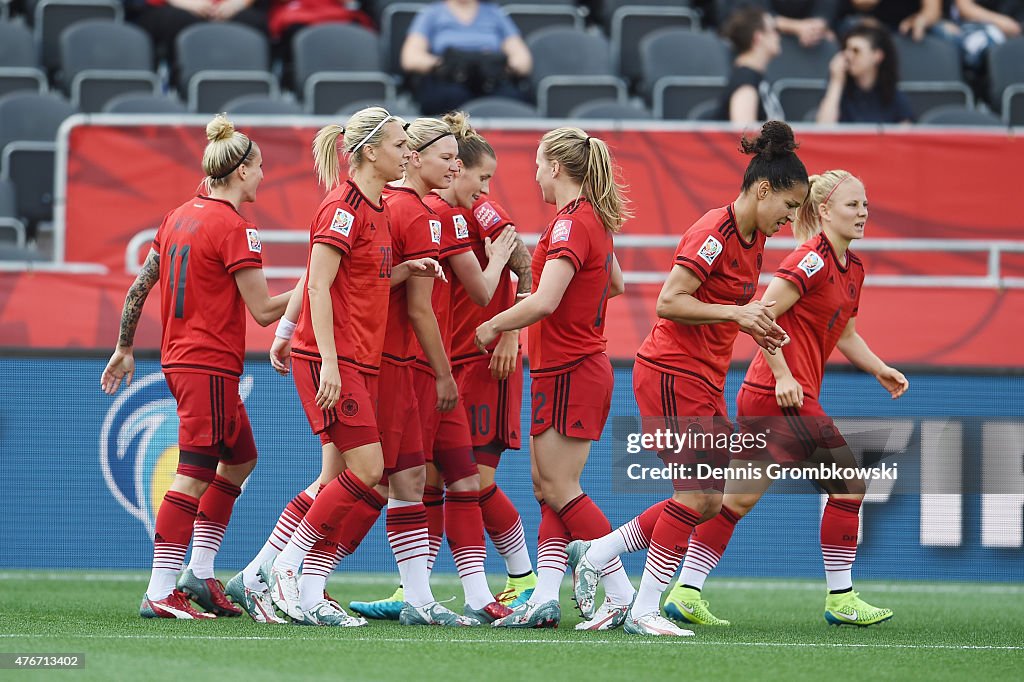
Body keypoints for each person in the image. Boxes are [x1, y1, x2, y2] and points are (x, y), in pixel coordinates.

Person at [566, 120, 807, 637]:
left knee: (711, 501)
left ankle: (600, 552)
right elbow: (668, 301)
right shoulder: (714, 233)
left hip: (701, 378)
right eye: (789, 206)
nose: (791, 218)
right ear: (763, 189)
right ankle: (645, 610)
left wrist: (759, 326)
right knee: (697, 497)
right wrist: (737, 315)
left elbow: (733, 310)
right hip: (671, 372)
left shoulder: (753, 238)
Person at [664, 170, 909, 627]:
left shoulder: (853, 268)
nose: (863, 213)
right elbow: (763, 314)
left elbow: (847, 333)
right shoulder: (810, 259)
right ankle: (841, 597)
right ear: (823, 211)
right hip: (780, 396)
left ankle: (685, 591)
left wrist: (879, 368)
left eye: (866, 205)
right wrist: (782, 374)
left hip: (773, 396)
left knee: (734, 502)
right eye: (853, 205)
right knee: (850, 484)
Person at [244, 107, 445, 627]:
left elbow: (363, 277)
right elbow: (317, 285)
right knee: (368, 470)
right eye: (401, 145)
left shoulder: (377, 207)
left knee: (345, 472)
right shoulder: (343, 206)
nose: (408, 153)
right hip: (336, 358)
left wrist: (406, 268)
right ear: (371, 151)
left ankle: (273, 576)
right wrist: (329, 363)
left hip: (360, 358)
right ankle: (290, 573)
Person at [100, 114, 293, 619]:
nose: (263, 176)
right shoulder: (235, 226)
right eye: (259, 168)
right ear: (240, 171)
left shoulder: (177, 216)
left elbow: (141, 284)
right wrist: (323, 285)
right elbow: (265, 310)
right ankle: (161, 589)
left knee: (242, 458)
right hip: (207, 363)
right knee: (193, 474)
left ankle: (200, 575)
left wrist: (124, 345)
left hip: (191, 361)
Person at [349, 112, 536, 621]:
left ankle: (511, 581)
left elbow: (523, 259)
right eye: (477, 174)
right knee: (418, 479)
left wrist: (509, 327)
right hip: (424, 363)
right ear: (418, 157)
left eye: (467, 167)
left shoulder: (463, 210)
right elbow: (359, 280)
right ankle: (292, 574)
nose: (480, 185)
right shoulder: (424, 211)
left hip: (458, 363)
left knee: (464, 478)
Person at [474, 127, 633, 630]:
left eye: (540, 164)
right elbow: (613, 282)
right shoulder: (586, 220)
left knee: (561, 487)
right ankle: (544, 596)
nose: (536, 174)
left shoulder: (570, 225)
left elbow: (545, 299)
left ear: (558, 168)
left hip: (572, 369)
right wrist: (563, 311)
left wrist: (496, 323)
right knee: (546, 488)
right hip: (564, 366)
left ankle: (622, 594)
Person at [401, 0, 533, 114]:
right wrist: (443, 64)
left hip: (490, 81)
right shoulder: (432, 13)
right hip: (449, 80)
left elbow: (522, 60)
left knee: (509, 98)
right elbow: (410, 58)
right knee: (450, 98)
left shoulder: (495, 14)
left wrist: (502, 68)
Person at [816, 21, 916, 124]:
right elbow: (823, 129)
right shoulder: (839, 91)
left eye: (856, 51)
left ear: (877, 56)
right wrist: (836, 82)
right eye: (846, 49)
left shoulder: (893, 95)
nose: (848, 56)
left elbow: (905, 134)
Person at [126, 0, 270, 60]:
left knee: (250, 23)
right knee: (179, 21)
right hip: (173, 9)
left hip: (231, 8)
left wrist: (239, 2)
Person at [715, 5, 785, 124]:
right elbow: (745, 135)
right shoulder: (745, 81)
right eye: (774, 30)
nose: (778, 36)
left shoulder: (754, 78)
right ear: (758, 38)